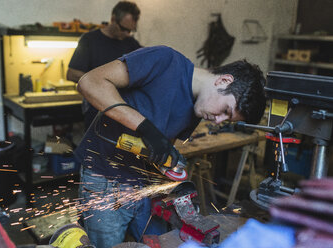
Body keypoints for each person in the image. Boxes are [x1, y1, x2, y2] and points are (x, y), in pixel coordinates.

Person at [75, 45, 267, 248]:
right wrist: (144, 127)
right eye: (225, 110)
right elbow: (89, 82)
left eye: (226, 120)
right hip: (106, 182)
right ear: (224, 80)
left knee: (161, 242)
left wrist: (168, 165)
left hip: (147, 186)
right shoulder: (164, 60)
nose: (218, 121)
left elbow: (162, 147)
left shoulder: (198, 107)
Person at [67, 1, 142, 131]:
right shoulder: (90, 40)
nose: (127, 34)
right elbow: (72, 73)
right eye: (124, 29)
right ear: (113, 19)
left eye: (131, 30)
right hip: (96, 109)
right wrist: (103, 81)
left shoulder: (131, 43)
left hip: (124, 111)